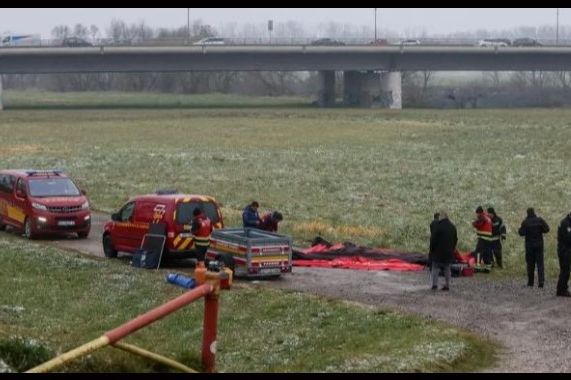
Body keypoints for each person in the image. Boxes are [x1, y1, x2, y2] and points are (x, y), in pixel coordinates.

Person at [518, 208, 549, 288]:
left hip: (529, 246)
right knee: (540, 264)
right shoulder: (540, 220)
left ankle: (530, 282)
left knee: (530, 264)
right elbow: (547, 229)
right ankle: (541, 281)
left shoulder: (525, 222)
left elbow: (521, 233)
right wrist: (540, 230)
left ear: (527, 213)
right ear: (534, 212)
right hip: (539, 245)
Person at [429, 211, 458, 291]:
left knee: (435, 267)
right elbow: (455, 239)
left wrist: (431, 249)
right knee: (447, 268)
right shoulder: (453, 227)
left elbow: (433, 239)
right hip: (449, 252)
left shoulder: (438, 226)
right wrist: (452, 248)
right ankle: (447, 285)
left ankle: (434, 285)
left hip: (438, 251)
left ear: (441, 218)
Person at [472, 206, 493, 271]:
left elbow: (479, 224)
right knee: (487, 252)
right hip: (489, 238)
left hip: (483, 237)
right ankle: (487, 267)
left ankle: (477, 267)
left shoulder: (482, 217)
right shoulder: (488, 217)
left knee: (478, 251)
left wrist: (474, 224)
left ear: (479, 212)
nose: (477, 215)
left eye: (477, 213)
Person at [557, 212, 571, 297]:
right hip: (564, 250)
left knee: (564, 270)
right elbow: (568, 238)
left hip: (565, 249)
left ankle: (560, 289)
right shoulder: (566, 224)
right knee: (565, 270)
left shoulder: (566, 222)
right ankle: (562, 290)